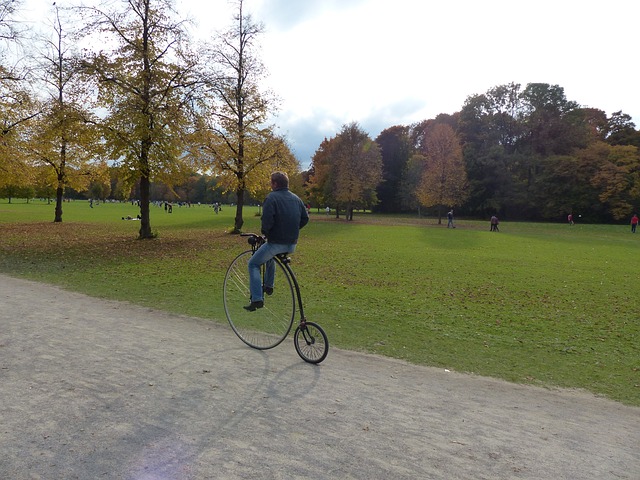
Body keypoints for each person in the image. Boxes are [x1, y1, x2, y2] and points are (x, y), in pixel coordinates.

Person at [244, 171, 309, 311]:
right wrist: (292, 230)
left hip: (276, 243)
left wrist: (266, 234)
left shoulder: (271, 198)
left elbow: (267, 222)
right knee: (268, 256)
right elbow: (305, 219)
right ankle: (268, 285)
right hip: (292, 244)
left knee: (253, 264)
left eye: (270, 182)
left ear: (274, 183)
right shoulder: (297, 199)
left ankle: (257, 298)